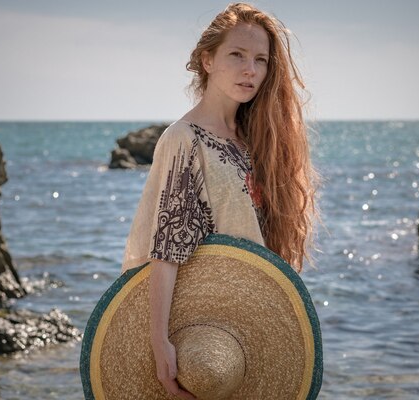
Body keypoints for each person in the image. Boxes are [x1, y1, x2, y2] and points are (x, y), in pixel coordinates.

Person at [120, 2, 321, 398]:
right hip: (199, 326)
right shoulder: (185, 139)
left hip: (245, 323)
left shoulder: (256, 140)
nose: (251, 70)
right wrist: (159, 343)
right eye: (237, 55)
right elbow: (166, 248)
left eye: (261, 60)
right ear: (207, 60)